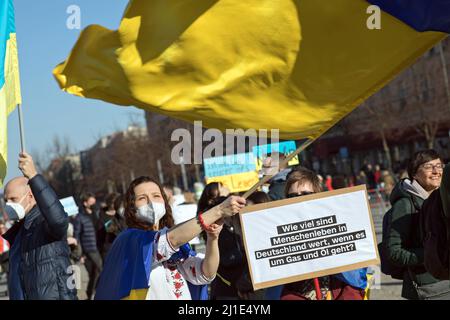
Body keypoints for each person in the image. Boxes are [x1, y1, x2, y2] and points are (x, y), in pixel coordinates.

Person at [94, 176, 246, 300]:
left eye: (156, 196)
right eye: (142, 198)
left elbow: (205, 273)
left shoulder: (175, 242)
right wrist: (218, 211)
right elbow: (168, 241)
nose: (151, 202)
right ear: (131, 207)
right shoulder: (129, 239)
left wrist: (213, 238)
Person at [279, 167, 367, 300]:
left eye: (305, 194)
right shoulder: (279, 231)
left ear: (318, 194)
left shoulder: (340, 222)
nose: (299, 199)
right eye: (293, 196)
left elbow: (356, 277)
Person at [2, 152, 77, 300]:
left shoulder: (45, 223)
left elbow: (58, 220)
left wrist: (34, 177)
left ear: (30, 196)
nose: (8, 204)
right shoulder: (19, 233)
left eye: (13, 199)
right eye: (6, 200)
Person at [385, 149, 450, 299]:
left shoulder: (441, 198)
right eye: (428, 167)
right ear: (414, 173)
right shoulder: (405, 204)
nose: (436, 171)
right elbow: (394, 252)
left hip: (444, 279)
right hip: (428, 288)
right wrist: (432, 254)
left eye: (439, 166)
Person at [73, 192, 103, 299]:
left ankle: (91, 293)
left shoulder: (97, 213)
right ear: (85, 203)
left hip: (99, 246)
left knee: (94, 273)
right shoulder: (80, 217)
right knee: (100, 268)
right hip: (89, 248)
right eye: (91, 201)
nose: (94, 203)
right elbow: (76, 236)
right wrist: (79, 254)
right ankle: (93, 292)